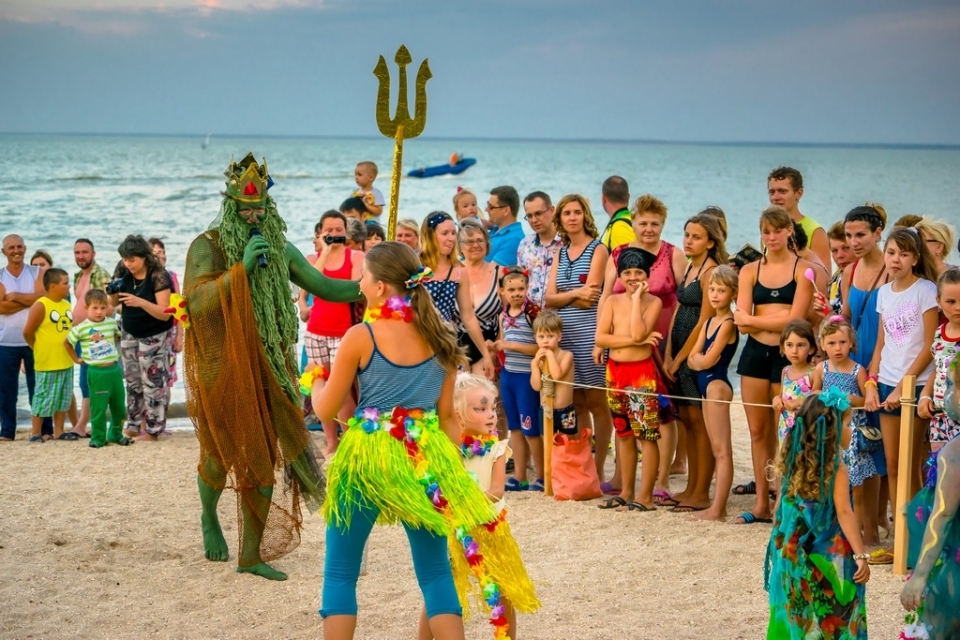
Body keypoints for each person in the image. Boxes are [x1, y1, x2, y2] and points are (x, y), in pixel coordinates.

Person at [183, 152, 360, 581]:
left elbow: (326, 287)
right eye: (245, 209)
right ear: (229, 204)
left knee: (262, 460)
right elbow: (197, 302)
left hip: (269, 365)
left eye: (260, 208)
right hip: (221, 366)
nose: (253, 216)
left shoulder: (279, 248)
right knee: (218, 458)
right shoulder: (206, 246)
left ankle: (250, 555)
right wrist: (241, 270)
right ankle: (209, 515)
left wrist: (382, 284)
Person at [314, 242, 495, 639]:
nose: (359, 283)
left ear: (380, 287)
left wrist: (315, 380)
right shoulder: (442, 337)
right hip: (424, 455)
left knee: (341, 570)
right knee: (435, 572)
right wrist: (455, 472)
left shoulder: (360, 336)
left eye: (363, 276)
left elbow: (327, 411)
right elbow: (447, 417)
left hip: (368, 454)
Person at [421, 373, 540, 640]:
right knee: (441, 590)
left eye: (493, 409)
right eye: (481, 408)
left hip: (490, 530)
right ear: (458, 415)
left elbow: (497, 492)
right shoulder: (449, 450)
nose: (491, 415)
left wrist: (464, 502)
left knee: (503, 589)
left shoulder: (497, 450)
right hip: (456, 531)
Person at [764, 393, 871, 639]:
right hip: (827, 553)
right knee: (835, 609)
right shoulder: (836, 468)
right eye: (848, 424)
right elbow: (844, 512)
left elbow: (781, 507)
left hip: (793, 548)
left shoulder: (793, 458)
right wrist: (861, 555)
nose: (852, 430)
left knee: (799, 608)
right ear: (831, 431)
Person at [733, 206, 814, 524]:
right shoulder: (749, 271)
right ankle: (761, 504)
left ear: (789, 231)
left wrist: (756, 319)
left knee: (787, 431)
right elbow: (740, 324)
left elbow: (796, 320)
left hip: (788, 357)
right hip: (754, 354)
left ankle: (783, 502)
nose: (771, 237)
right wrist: (774, 318)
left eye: (777, 230)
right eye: (766, 232)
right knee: (757, 432)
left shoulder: (802, 269)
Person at [599, 194, 685, 492]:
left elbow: (685, 301)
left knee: (664, 411)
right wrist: (600, 343)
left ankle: (662, 479)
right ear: (633, 223)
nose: (649, 229)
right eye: (643, 223)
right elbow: (606, 294)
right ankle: (621, 478)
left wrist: (674, 349)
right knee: (624, 415)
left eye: (655, 224)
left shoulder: (673, 254)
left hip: (662, 338)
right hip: (625, 341)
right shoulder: (619, 253)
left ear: (662, 225)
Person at [865, 227, 939, 547]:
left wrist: (903, 387)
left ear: (915, 259)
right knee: (893, 465)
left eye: (904, 254)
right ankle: (900, 539)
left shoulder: (926, 290)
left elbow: (931, 346)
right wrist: (872, 383)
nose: (896, 259)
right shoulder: (883, 293)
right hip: (886, 383)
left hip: (915, 386)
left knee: (910, 466)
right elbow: (881, 344)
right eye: (891, 252)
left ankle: (919, 540)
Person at [545, 194, 612, 482]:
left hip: (590, 335)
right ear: (559, 219)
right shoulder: (560, 253)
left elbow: (591, 299)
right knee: (578, 403)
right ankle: (585, 465)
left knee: (598, 402)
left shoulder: (598, 250)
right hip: (566, 336)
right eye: (566, 213)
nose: (572, 217)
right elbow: (549, 298)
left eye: (577, 212)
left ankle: (600, 465)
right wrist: (574, 293)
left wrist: (565, 296)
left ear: (585, 215)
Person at [663, 212, 727, 511]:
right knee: (687, 420)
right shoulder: (691, 265)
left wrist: (680, 359)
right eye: (687, 235)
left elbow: (703, 321)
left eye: (696, 237)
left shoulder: (711, 271)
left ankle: (701, 491)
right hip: (678, 350)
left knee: (699, 423)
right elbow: (678, 309)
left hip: (695, 352)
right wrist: (668, 353)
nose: (688, 241)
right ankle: (691, 487)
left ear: (711, 242)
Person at [594, 247, 662, 512]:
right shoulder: (612, 301)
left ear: (647, 275)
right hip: (615, 372)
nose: (633, 277)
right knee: (623, 432)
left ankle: (646, 496)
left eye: (638, 272)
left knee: (646, 434)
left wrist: (635, 301)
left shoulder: (653, 303)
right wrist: (636, 341)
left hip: (640, 374)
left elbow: (638, 332)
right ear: (620, 275)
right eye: (627, 273)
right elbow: (601, 338)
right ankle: (627, 491)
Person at [300, 211, 363, 456]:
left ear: (346, 232)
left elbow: (354, 287)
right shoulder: (312, 258)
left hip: (343, 332)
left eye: (339, 230)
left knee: (342, 390)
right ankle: (331, 443)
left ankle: (349, 440)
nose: (335, 234)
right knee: (323, 387)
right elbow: (311, 284)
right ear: (320, 232)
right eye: (329, 230)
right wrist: (325, 252)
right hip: (316, 330)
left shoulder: (355, 256)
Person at [811, 316, 877, 552]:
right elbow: (814, 393)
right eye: (831, 343)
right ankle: (831, 531)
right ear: (822, 344)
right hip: (829, 431)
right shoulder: (821, 368)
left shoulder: (859, 370)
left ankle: (856, 534)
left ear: (851, 343)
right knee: (829, 484)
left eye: (842, 342)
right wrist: (825, 396)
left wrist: (850, 398)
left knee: (856, 486)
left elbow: (865, 400)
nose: (837, 348)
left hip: (853, 433)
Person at [108, 235, 174, 441]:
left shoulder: (159, 275)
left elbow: (165, 313)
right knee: (132, 379)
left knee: (153, 381)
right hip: (129, 330)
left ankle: (154, 430)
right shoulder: (122, 269)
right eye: (125, 259)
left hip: (155, 332)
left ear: (144, 256)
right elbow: (113, 303)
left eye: (132, 260)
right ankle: (134, 425)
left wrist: (140, 302)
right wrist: (111, 291)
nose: (128, 264)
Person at [901, 411, 960, 639]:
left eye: (951, 392)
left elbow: (943, 514)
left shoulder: (954, 452)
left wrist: (920, 576)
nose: (945, 397)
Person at [687, 265, 739, 522]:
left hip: (717, 385)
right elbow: (691, 358)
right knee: (714, 447)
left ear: (733, 294)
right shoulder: (709, 322)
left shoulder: (728, 323)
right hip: (705, 385)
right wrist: (699, 360)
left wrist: (699, 360)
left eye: (721, 290)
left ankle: (719, 509)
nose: (715, 295)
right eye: (712, 290)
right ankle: (716, 506)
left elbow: (707, 360)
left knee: (722, 450)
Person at [419, 211, 493, 378]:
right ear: (430, 235)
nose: (451, 238)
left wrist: (486, 354)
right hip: (417, 341)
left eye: (453, 233)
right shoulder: (414, 265)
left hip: (445, 343)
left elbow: (468, 316)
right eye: (445, 233)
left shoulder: (459, 270)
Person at [493, 267, 543, 491]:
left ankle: (541, 476)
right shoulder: (502, 315)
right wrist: (495, 348)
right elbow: (502, 343)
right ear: (502, 292)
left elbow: (542, 347)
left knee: (530, 428)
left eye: (521, 289)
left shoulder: (532, 314)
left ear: (527, 288)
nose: (516, 293)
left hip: (526, 377)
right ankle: (520, 476)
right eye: (511, 290)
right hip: (508, 375)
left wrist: (511, 345)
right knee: (515, 428)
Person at [0, 234, 53, 441]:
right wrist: (30, 301)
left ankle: (45, 430)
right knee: (6, 391)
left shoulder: (36, 272)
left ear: (25, 248)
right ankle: (7, 432)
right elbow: (0, 308)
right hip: (5, 342)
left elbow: (44, 298)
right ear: (3, 251)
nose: (16, 251)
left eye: (19, 246)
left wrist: (14, 297)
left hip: (34, 340)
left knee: (39, 387)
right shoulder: (1, 275)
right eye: (11, 247)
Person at [64, 288, 130, 448]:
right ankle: (98, 437)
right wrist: (76, 359)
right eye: (95, 308)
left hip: (114, 370)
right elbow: (67, 343)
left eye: (103, 307)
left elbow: (116, 336)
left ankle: (115, 433)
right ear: (86, 308)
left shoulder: (111, 323)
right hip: (97, 372)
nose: (99, 312)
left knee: (119, 407)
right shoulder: (81, 328)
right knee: (99, 407)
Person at [22, 268, 75, 442]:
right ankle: (36, 432)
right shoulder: (41, 305)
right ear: (53, 286)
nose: (69, 286)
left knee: (63, 397)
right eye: (65, 283)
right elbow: (28, 332)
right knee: (43, 397)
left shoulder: (66, 304)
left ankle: (59, 431)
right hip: (47, 362)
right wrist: (36, 347)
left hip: (65, 360)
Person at [70, 238, 113, 438]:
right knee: (85, 381)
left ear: (93, 254)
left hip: (93, 337)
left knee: (90, 381)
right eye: (77, 252)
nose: (81, 256)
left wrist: (95, 331)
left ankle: (82, 426)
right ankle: (85, 424)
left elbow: (109, 306)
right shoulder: (78, 276)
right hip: (80, 335)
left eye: (85, 252)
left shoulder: (101, 275)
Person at [918, 267, 960, 450]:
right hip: (940, 417)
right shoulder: (939, 334)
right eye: (951, 301)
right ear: (938, 302)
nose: (958, 307)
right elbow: (938, 368)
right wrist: (925, 395)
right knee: (940, 463)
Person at [458, 219, 501, 376]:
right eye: (469, 241)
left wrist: (495, 349)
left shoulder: (500, 273)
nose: (475, 245)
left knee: (484, 389)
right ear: (459, 246)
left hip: (489, 344)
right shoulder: (453, 273)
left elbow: (508, 315)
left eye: (480, 240)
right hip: (456, 346)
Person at [767, 166, 830, 270]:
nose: (775, 197)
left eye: (782, 191)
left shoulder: (816, 231)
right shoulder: (768, 230)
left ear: (799, 193)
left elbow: (824, 275)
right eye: (772, 192)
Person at [530, 310, 576, 438]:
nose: (545, 341)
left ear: (559, 337)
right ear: (535, 338)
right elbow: (536, 387)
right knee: (547, 443)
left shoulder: (567, 355)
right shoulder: (538, 360)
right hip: (546, 410)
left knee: (567, 443)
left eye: (550, 336)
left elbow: (557, 375)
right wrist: (534, 365)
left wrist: (550, 356)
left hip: (565, 411)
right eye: (541, 337)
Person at [773, 320, 816, 441]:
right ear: (783, 348)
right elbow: (782, 395)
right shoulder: (785, 371)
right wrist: (776, 399)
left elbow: (818, 400)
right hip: (785, 428)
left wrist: (800, 402)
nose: (794, 351)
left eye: (800, 345)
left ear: (811, 349)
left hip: (806, 430)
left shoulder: (814, 372)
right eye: (789, 345)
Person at [517, 191, 561, 307]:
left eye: (538, 213)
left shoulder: (567, 242)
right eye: (529, 216)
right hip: (530, 313)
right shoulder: (525, 244)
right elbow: (520, 280)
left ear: (552, 210)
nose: (534, 220)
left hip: (560, 313)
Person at [485, 186, 524, 266]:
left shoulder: (514, 239)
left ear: (506, 211)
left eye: (491, 207)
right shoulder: (494, 230)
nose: (486, 209)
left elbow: (492, 271)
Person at [598, 175, 635, 252]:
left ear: (603, 198)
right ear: (628, 197)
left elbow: (629, 258)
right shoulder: (634, 219)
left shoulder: (620, 227)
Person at [827, 222, 855, 315]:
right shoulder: (836, 277)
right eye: (834, 250)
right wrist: (827, 312)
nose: (840, 255)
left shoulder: (863, 279)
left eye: (846, 248)